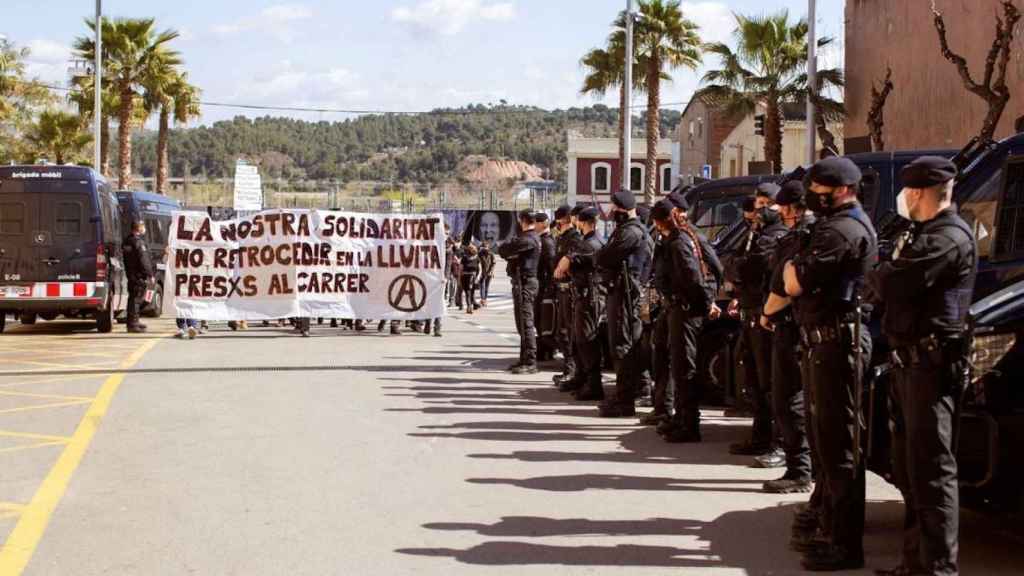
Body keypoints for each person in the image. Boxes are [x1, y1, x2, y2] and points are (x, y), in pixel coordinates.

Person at [867, 157, 976, 576]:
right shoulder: (922, 234)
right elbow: (884, 280)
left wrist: (883, 271)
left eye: (906, 193)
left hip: (932, 368)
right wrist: (884, 272)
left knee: (932, 473)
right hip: (909, 366)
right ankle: (914, 563)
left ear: (916, 194)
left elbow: (892, 281)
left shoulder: (947, 237)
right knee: (911, 472)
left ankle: (937, 568)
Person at [783, 156, 877, 571]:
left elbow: (793, 282)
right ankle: (829, 525)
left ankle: (844, 543)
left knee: (840, 446)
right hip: (826, 343)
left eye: (818, 191)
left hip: (839, 344)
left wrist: (791, 267)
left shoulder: (843, 230)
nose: (811, 199)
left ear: (840, 190)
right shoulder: (833, 225)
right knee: (826, 440)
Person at [761, 180, 817, 494]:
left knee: (789, 400)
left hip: (791, 326)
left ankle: (800, 470)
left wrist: (767, 312)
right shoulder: (805, 235)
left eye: (784, 207)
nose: (780, 213)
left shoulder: (800, 237)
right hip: (798, 325)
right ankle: (802, 468)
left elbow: (785, 283)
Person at [727, 188, 789, 461]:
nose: (760, 210)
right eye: (759, 204)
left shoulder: (776, 237)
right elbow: (731, 265)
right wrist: (739, 270)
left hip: (766, 316)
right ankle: (760, 436)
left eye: (767, 204)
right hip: (750, 311)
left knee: (771, 383)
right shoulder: (756, 234)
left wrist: (740, 269)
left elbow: (751, 269)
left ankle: (779, 443)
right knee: (754, 380)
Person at [595, 189, 652, 418]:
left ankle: (624, 401)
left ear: (624, 209)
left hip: (626, 295)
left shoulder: (631, 232)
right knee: (627, 345)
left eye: (615, 208)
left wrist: (601, 257)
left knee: (623, 346)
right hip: (623, 293)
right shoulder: (627, 230)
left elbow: (606, 257)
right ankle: (629, 393)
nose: (612, 212)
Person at [555, 205, 605, 400]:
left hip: (589, 297)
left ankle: (593, 384)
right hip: (582, 295)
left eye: (577, 220)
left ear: (582, 222)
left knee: (587, 341)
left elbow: (564, 264)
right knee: (578, 340)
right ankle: (583, 378)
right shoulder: (588, 241)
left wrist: (565, 262)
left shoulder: (591, 243)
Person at [498, 210, 541, 374]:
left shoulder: (528, 238)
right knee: (522, 324)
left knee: (526, 323)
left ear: (521, 220)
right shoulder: (530, 237)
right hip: (523, 282)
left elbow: (504, 250)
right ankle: (524, 358)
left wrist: (511, 252)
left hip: (525, 283)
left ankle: (530, 361)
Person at [551, 205, 583, 387]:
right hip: (561, 288)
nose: (558, 225)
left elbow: (573, 258)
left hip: (570, 288)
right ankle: (568, 368)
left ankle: (572, 371)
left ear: (566, 220)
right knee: (562, 332)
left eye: (560, 221)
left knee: (570, 332)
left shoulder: (574, 238)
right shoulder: (562, 237)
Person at [122, 220, 154, 333]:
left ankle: (133, 321)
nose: (144, 228)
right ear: (139, 228)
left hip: (130, 274)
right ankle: (133, 324)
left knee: (133, 298)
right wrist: (150, 274)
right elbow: (143, 260)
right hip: (139, 275)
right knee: (136, 299)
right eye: (143, 226)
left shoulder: (127, 241)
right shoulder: (138, 242)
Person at [534, 212, 558, 362]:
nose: (534, 225)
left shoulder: (547, 242)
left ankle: (547, 350)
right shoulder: (543, 240)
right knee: (540, 321)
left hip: (544, 287)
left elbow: (550, 266)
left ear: (543, 224)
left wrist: (549, 286)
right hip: (542, 285)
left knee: (542, 320)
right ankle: (546, 350)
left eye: (536, 222)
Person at [460, 244, 481, 314]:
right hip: (470, 276)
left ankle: (471, 306)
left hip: (469, 276)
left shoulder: (467, 258)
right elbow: (478, 268)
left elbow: (461, 268)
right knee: (470, 292)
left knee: (469, 292)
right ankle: (472, 305)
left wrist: (478, 277)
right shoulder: (472, 258)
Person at [478, 241, 495, 307]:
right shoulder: (480, 253)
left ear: (488, 247)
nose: (485, 248)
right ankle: (482, 300)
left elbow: (493, 263)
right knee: (482, 286)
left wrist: (491, 271)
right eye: (484, 247)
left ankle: (485, 299)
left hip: (489, 273)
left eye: (486, 247)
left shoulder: (491, 254)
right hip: (482, 273)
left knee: (486, 287)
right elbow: (477, 262)